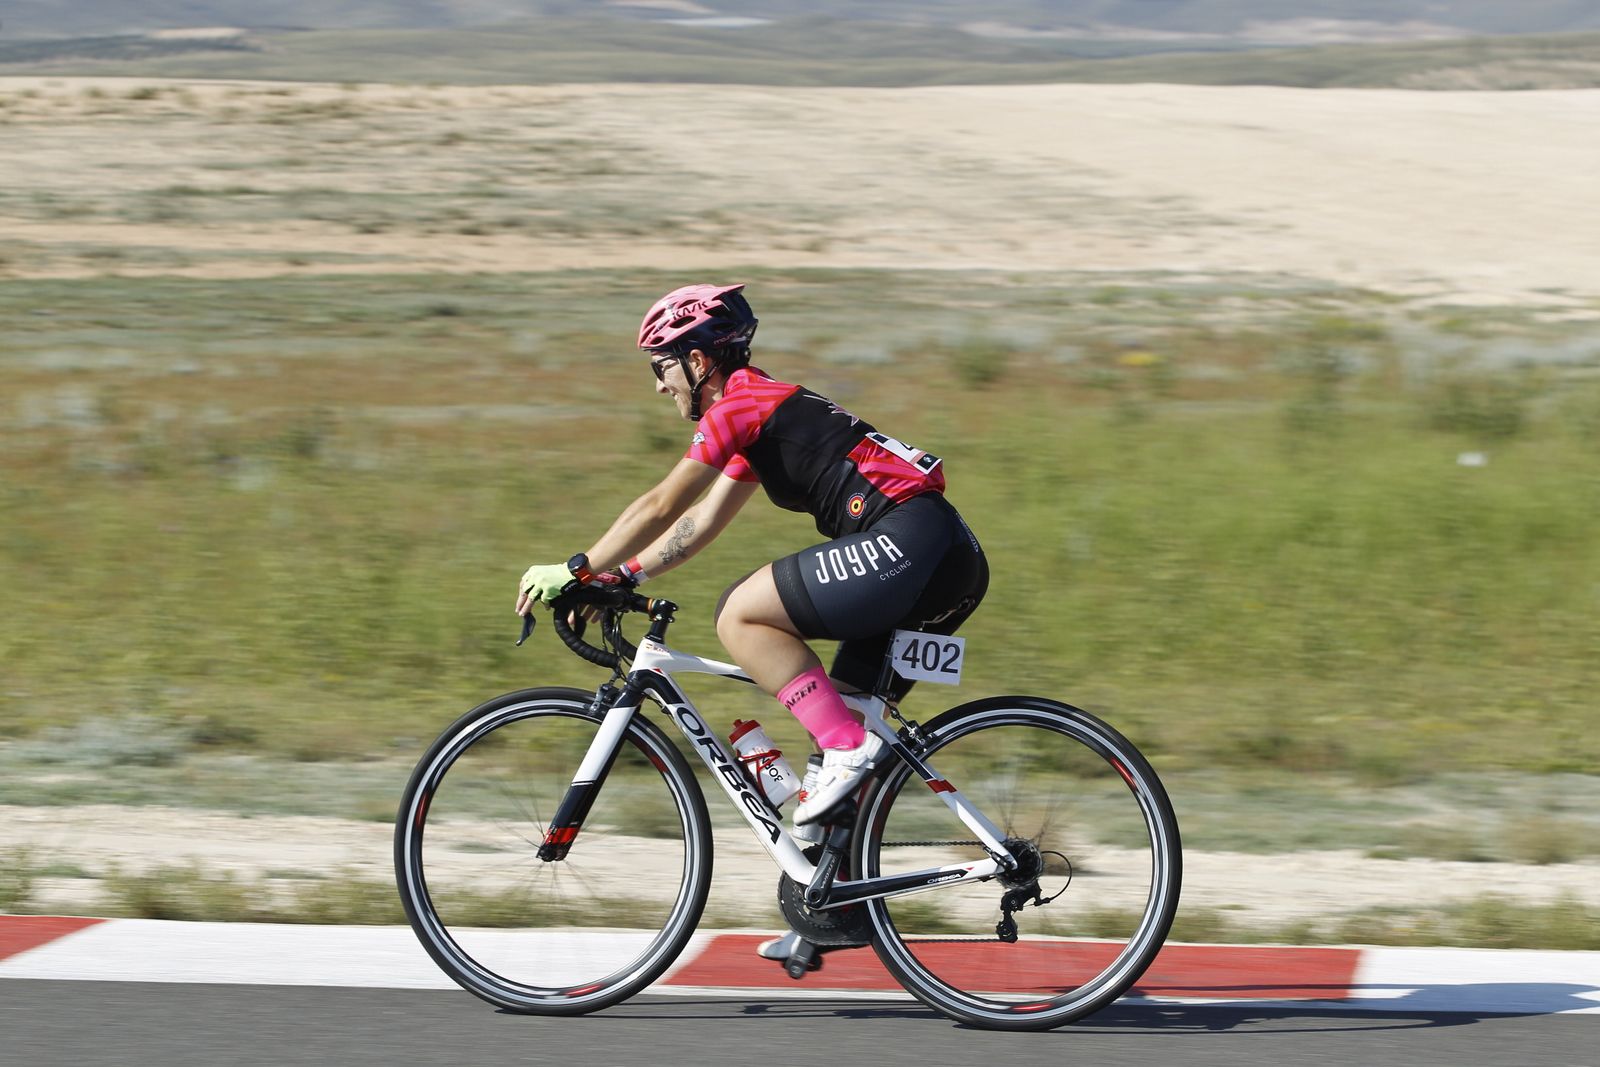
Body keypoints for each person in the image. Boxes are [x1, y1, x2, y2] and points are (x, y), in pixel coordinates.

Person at [516, 283, 988, 958]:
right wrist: (623, 577)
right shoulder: (758, 419)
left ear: (698, 360)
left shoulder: (741, 402)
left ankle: (848, 752)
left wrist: (574, 566)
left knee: (740, 614)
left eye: (661, 366)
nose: (658, 385)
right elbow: (697, 523)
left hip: (907, 540)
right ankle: (828, 909)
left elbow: (659, 504)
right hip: (947, 560)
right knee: (837, 749)